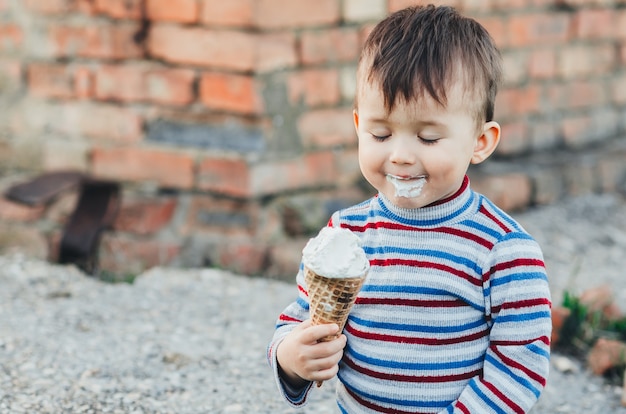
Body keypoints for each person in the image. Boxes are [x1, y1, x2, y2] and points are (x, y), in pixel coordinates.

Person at [267, 4, 552, 413]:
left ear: (480, 141)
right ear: (357, 125)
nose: (400, 155)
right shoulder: (344, 237)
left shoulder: (503, 249)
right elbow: (300, 317)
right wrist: (290, 357)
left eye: (428, 138)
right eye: (380, 133)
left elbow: (519, 365)